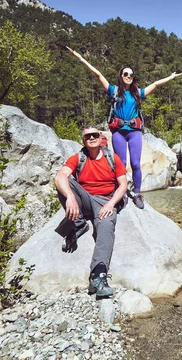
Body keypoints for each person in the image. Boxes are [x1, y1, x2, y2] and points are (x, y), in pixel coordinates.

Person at [67, 46, 182, 209]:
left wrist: (171, 77)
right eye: (125, 74)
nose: (128, 76)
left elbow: (156, 84)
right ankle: (119, 192)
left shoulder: (138, 93)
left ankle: (137, 193)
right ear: (121, 77)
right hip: (118, 133)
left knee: (135, 163)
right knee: (120, 163)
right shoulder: (113, 91)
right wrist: (81, 58)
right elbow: (98, 74)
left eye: (131, 74)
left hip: (134, 133)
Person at [54, 126, 128, 298]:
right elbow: (59, 176)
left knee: (105, 228)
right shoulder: (78, 157)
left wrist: (111, 204)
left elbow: (123, 184)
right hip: (85, 198)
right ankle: (78, 224)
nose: (92, 138)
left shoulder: (112, 158)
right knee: (63, 182)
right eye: (88, 136)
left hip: (105, 200)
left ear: (100, 138)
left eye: (95, 135)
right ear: (84, 140)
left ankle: (98, 276)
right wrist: (70, 197)